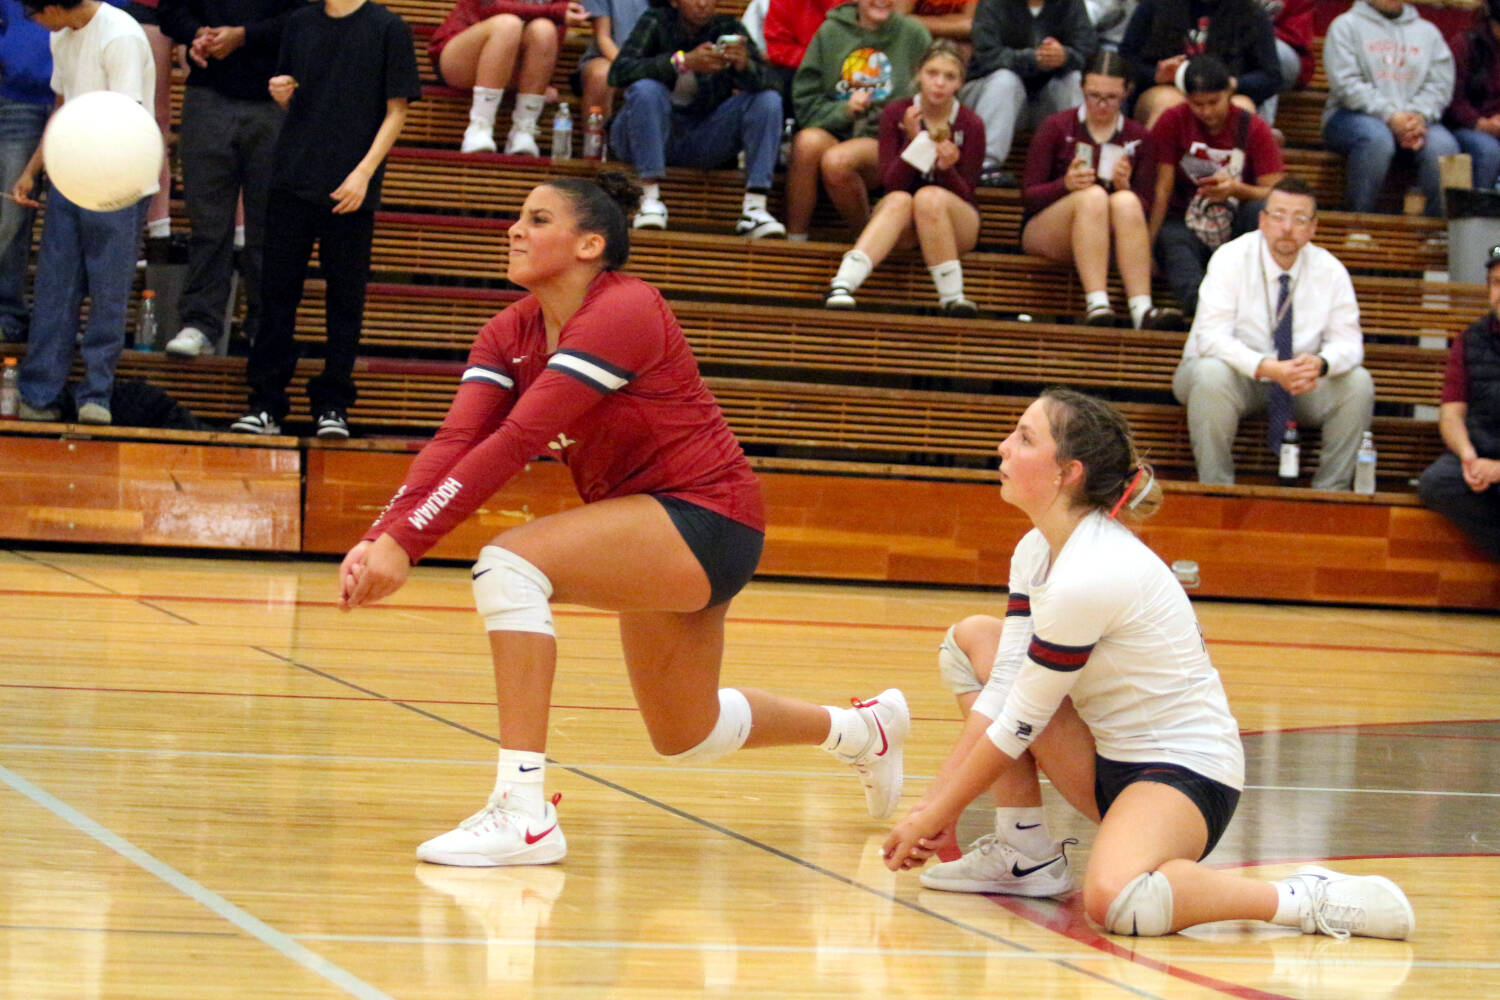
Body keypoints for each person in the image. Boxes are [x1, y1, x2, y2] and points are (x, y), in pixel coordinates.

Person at [338, 173, 911, 866]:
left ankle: (523, 814)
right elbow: (457, 442)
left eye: (537, 219)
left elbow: (518, 440)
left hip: (707, 518)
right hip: (649, 526)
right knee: (687, 733)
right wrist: (382, 534)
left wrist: (409, 541)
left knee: (508, 566)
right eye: (518, 218)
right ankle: (862, 731)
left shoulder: (625, 309)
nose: (515, 230)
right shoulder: (508, 332)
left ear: (590, 244)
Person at [881, 387, 1416, 943]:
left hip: (1184, 778)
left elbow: (1020, 722)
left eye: (1024, 437)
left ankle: (1303, 898)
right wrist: (932, 807)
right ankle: (1025, 853)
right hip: (1105, 760)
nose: (1003, 447)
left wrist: (938, 810)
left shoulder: (1091, 572)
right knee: (973, 643)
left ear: (1068, 472)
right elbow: (1005, 696)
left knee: (1117, 900)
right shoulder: (1036, 550)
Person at [228, 0, 419, 439]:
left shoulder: (388, 28)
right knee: (276, 298)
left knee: (344, 302)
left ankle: (333, 404)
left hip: (351, 188)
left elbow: (397, 111)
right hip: (292, 178)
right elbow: (299, 97)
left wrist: (364, 174)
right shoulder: (299, 22)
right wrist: (283, 95)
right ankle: (266, 404)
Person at [1172, 178, 1373, 489]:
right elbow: (1210, 338)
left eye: (1299, 219)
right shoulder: (1230, 258)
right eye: (1278, 216)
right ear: (1263, 220)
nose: (1288, 227)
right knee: (1210, 374)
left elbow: (1349, 344)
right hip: (1235, 377)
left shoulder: (1331, 270)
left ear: (1313, 228)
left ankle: (1331, 495)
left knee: (1357, 383)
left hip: (1299, 382)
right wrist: (1268, 367)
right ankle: (1215, 490)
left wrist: (1320, 363)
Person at [10, 0, 156, 425]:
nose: (33, 22)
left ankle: (97, 394)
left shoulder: (120, 35)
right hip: (71, 177)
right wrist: (32, 170)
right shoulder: (62, 35)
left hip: (118, 180)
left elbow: (123, 119)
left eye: (36, 12)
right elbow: (64, 110)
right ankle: (40, 394)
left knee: (108, 293)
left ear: (54, 6)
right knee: (55, 289)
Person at [156, 0, 300, 360]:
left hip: (273, 97)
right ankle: (201, 322)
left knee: (268, 224)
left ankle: (264, 328)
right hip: (207, 94)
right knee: (207, 223)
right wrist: (197, 34)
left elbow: (303, 17)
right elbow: (171, 11)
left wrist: (245, 36)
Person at [1020, 49, 1182, 328]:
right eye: (1093, 95)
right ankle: (1097, 302)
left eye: (1111, 97)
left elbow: (1144, 206)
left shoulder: (1138, 136)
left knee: (1126, 201)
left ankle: (1141, 308)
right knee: (1092, 196)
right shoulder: (1056, 126)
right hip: (1050, 228)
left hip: (1106, 234)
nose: (1101, 104)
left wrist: (1124, 187)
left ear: (1126, 93)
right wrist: (1065, 185)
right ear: (1082, 88)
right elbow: (1029, 195)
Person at [824, 40, 983, 314]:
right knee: (899, 199)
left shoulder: (970, 123)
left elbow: (967, 193)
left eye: (949, 77)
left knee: (929, 197)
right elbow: (891, 183)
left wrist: (947, 168)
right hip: (905, 223)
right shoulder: (897, 113)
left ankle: (953, 298)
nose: (939, 83)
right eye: (932, 73)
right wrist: (916, 142)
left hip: (955, 223)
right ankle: (842, 283)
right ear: (918, 74)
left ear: (960, 83)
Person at [607, 0, 786, 237]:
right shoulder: (655, 21)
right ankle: (647, 198)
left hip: (704, 136)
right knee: (646, 90)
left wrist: (744, 66)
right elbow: (618, 72)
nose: (702, 4)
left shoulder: (728, 28)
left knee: (767, 100)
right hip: (645, 134)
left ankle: (755, 207)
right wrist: (681, 62)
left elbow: (775, 86)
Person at [1146, 55, 1283, 318]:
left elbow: (1276, 193)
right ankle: (1202, 309)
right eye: (1198, 104)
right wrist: (1148, 247)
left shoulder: (1253, 127)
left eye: (1213, 102)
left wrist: (1236, 189)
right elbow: (1162, 189)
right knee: (1173, 238)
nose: (1206, 112)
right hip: (1185, 218)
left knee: (1262, 211)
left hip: (1237, 221)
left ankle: (1256, 304)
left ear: (1229, 92)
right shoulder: (1173, 121)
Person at [786, 0, 931, 239]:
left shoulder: (914, 34)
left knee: (837, 161)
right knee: (806, 143)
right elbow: (806, 102)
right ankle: (794, 241)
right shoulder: (830, 32)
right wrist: (844, 110)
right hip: (838, 129)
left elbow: (935, 95)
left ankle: (868, 242)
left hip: (889, 139)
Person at [1322, 0, 1458, 217]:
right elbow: (1345, 84)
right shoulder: (1345, 25)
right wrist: (1390, 116)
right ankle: (1358, 225)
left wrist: (1418, 116)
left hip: (1417, 121)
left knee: (1444, 147)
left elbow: (1440, 85)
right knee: (1376, 139)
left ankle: (1436, 235)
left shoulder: (1429, 32)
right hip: (1351, 116)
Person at [1417, 243, 1500, 559]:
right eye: (1496, 283)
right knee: (1436, 483)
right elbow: (1451, 414)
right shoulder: (1470, 340)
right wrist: (1469, 457)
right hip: (1480, 451)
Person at [959, 0, 1097, 188]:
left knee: (1072, 79)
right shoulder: (992, 3)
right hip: (994, 98)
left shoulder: (1071, 3)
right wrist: (1033, 59)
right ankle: (986, 166)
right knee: (1005, 80)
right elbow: (986, 55)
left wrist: (1065, 56)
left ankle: (1076, 164)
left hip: (1045, 102)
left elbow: (1088, 49)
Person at [430, 0, 583, 155]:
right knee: (508, 24)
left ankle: (524, 129)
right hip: (461, 55)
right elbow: (493, 7)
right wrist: (554, 11)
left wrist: (543, 80)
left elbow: (558, 27)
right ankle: (479, 127)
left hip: (512, 66)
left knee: (545, 29)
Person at [1117, 0, 1279, 128]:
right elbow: (1125, 60)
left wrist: (1233, 83)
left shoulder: (1250, 12)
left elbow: (1271, 76)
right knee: (1170, 105)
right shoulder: (1154, 5)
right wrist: (1155, 75)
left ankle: (1235, 169)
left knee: (1241, 109)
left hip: (1227, 93)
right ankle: (1153, 168)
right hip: (1166, 88)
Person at [0, 0, 53, 344]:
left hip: (66, 99)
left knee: (12, 215)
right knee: (9, 214)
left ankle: (8, 312)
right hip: (12, 94)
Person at [1444, 0, 1500, 193]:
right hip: (1466, 126)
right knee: (1488, 151)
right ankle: (1478, 217)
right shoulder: (1465, 43)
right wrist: (1481, 124)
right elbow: (1452, 99)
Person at [576, 0, 650, 116]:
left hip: (655, 61)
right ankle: (594, 133)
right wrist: (630, 67)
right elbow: (604, 39)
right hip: (609, 58)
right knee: (601, 75)